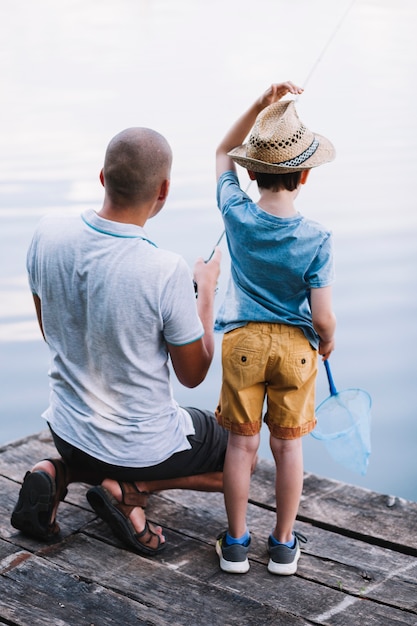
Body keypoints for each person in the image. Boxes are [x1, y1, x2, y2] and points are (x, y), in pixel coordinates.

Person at [11, 126, 229, 556]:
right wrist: (205, 295)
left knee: (97, 446)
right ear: (164, 190)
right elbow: (193, 374)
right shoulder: (165, 270)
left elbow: (49, 330)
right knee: (238, 453)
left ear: (102, 177)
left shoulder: (46, 232)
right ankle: (130, 489)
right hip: (139, 452)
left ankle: (60, 472)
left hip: (68, 432)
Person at [214, 82, 337, 575]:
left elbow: (222, 149)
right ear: (305, 174)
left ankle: (237, 544)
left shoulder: (235, 211)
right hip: (296, 351)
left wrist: (259, 107)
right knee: (288, 448)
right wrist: (327, 340)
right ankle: (284, 545)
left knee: (241, 446)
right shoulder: (318, 238)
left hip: (242, 342)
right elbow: (323, 314)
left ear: (250, 170)